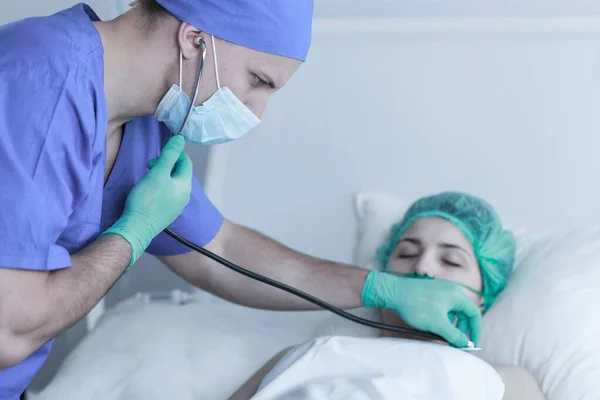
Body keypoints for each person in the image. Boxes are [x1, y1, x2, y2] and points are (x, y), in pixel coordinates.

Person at [0, 1, 481, 397]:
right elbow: (8, 332)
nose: (256, 112)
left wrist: (380, 287)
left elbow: (223, 249)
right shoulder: (41, 82)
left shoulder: (143, 127)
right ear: (194, 40)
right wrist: (134, 232)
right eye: (259, 81)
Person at [230, 192, 545, 400]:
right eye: (406, 254)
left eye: (450, 261)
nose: (422, 268)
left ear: (482, 297)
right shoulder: (306, 355)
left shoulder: (503, 382)